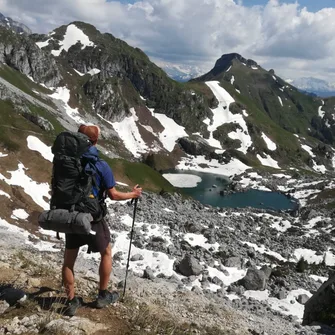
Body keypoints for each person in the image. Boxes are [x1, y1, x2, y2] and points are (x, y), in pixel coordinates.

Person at [63, 124, 142, 316]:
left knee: (69, 260)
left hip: (72, 215)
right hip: (92, 218)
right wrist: (133, 194)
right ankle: (102, 296)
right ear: (95, 141)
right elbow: (113, 195)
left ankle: (72, 302)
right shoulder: (100, 164)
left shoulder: (67, 161)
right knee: (106, 252)